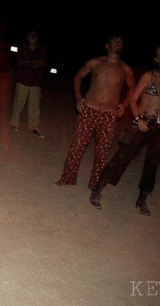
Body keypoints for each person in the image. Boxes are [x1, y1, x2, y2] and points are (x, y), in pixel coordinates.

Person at [92, 45, 160, 215]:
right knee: (123, 157)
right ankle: (97, 190)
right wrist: (138, 120)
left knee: (152, 163)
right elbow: (133, 99)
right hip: (143, 121)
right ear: (156, 59)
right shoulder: (148, 76)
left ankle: (142, 199)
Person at [54, 34, 135, 206]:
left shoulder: (125, 69)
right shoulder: (95, 63)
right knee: (77, 146)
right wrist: (78, 97)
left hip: (109, 114)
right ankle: (67, 178)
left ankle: (95, 186)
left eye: (121, 42)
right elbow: (78, 76)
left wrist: (125, 104)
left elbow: (133, 87)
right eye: (115, 41)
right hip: (89, 110)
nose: (118, 44)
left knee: (102, 152)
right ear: (107, 45)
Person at [9, 29, 49, 138]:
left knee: (34, 105)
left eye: (34, 35)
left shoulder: (42, 49)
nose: (32, 36)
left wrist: (30, 63)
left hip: (36, 81)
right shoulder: (22, 49)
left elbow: (44, 63)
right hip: (23, 79)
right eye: (30, 35)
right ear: (27, 37)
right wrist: (36, 63)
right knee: (19, 102)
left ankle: (34, 127)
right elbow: (21, 63)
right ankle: (15, 124)